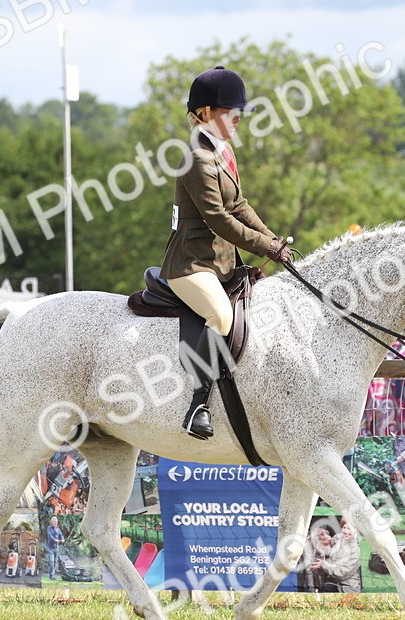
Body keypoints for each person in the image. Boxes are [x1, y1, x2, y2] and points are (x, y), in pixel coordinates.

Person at [160, 65, 293, 440]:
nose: (237, 119)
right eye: (229, 112)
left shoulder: (223, 150)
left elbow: (239, 204)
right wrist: (264, 246)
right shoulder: (195, 158)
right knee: (220, 315)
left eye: (239, 113)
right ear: (204, 113)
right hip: (191, 264)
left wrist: (274, 241)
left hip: (221, 263)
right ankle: (197, 404)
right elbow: (218, 218)